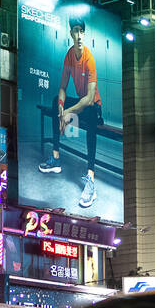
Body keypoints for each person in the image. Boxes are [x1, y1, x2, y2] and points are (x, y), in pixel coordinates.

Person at [38, 17, 103, 209]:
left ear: (84, 33)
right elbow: (63, 87)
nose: (79, 35)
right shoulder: (68, 56)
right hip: (79, 105)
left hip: (93, 107)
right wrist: (60, 105)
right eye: (75, 31)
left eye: (82, 31)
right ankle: (56, 158)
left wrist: (67, 112)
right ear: (71, 34)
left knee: (90, 112)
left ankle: (91, 177)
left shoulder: (89, 59)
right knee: (53, 102)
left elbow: (90, 98)